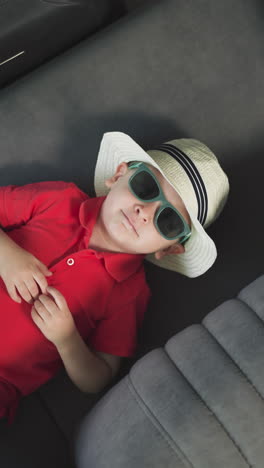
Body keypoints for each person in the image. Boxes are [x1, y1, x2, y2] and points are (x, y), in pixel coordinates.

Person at [0, 131, 229, 423]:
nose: (144, 213)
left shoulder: (129, 293)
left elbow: (97, 379)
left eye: (168, 220)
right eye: (145, 187)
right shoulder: (59, 199)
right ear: (119, 174)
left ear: (170, 248)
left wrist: (67, 340)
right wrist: (7, 255)